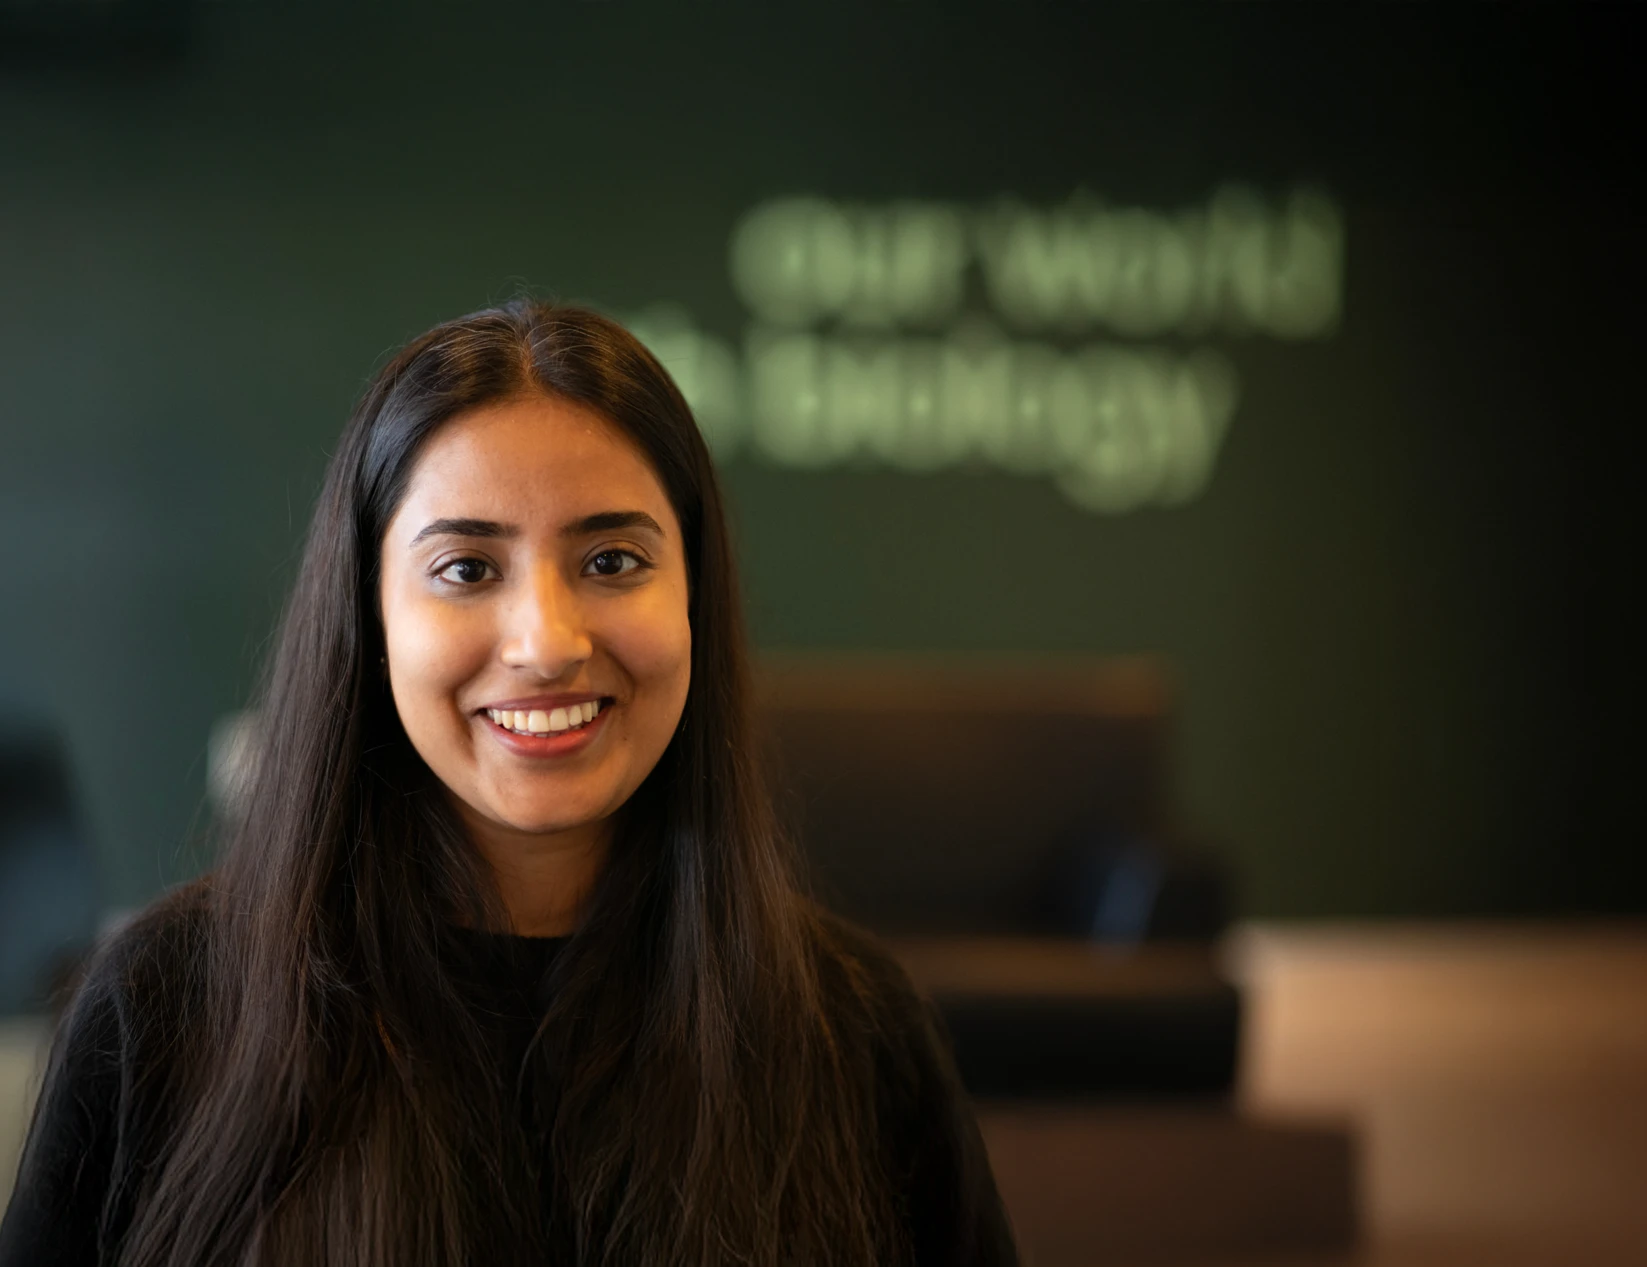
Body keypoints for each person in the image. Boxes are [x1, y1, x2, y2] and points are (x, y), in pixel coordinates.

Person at [0, 301, 1019, 1267]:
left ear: (694, 595)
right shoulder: (164, 1007)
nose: (545, 643)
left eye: (612, 561)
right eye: (466, 569)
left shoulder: (854, 1029)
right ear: (370, 614)